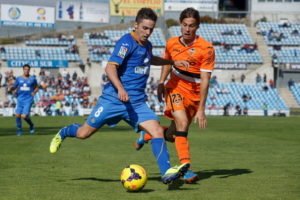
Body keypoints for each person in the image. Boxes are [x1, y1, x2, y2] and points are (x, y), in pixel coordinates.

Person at [49, 8, 190, 185]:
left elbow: (149, 58)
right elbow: (110, 67)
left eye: (151, 29)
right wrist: (120, 88)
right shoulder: (126, 43)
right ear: (136, 25)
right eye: (144, 28)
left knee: (156, 131)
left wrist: (171, 62)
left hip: (137, 103)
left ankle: (166, 172)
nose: (148, 32)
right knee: (84, 133)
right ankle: (64, 132)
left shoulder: (147, 45)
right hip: (113, 100)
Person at [133, 8, 215, 184]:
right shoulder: (171, 43)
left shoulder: (206, 49)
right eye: (184, 25)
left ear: (197, 26)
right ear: (180, 24)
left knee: (173, 134)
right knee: (183, 123)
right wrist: (162, 82)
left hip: (194, 95)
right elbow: (167, 63)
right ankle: (186, 168)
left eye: (191, 26)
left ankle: (148, 135)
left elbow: (205, 80)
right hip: (175, 88)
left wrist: (201, 108)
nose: (187, 29)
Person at [9, 64, 38, 136]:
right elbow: (14, 86)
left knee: (24, 116)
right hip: (20, 99)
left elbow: (37, 87)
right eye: (25, 69)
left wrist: (34, 92)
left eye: (28, 69)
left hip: (28, 99)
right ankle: (19, 130)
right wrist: (10, 85)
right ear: (23, 70)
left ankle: (31, 125)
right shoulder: (19, 78)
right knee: (17, 115)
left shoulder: (32, 79)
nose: (26, 71)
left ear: (29, 70)